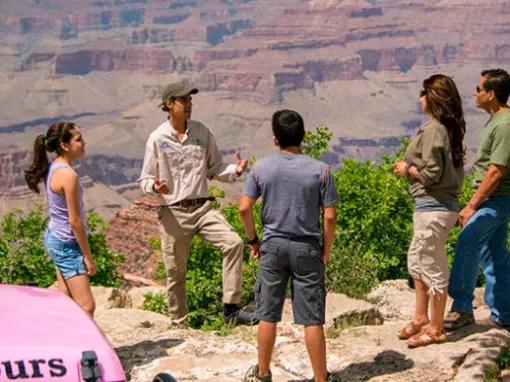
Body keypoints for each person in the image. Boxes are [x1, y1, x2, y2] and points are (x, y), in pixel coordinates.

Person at [139, 82, 256, 325]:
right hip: (174, 213)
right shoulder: (157, 138)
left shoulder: (202, 132)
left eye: (190, 101)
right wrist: (154, 187)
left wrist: (236, 169)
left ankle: (231, 310)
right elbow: (145, 178)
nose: (189, 105)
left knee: (233, 243)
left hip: (203, 209)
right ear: (169, 104)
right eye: (184, 101)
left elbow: (215, 168)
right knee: (175, 273)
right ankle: (178, 322)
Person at [240, 110, 337, 382]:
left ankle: (262, 373)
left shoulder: (261, 168)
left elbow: (244, 208)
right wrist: (325, 250)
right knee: (312, 318)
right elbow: (329, 217)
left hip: (272, 247)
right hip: (307, 248)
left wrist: (253, 240)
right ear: (304, 136)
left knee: (268, 315)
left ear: (275, 140)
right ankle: (320, 378)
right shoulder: (321, 171)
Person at [393, 74, 465, 347]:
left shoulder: (435, 129)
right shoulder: (443, 127)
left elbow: (432, 172)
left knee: (432, 267)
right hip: (430, 207)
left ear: (432, 98)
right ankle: (421, 317)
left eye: (423, 93)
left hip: (434, 208)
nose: (419, 98)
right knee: (417, 260)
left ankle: (436, 329)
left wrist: (407, 169)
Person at [445, 69, 510, 330]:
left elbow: (496, 170)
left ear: (491, 94)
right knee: (494, 255)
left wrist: (472, 204)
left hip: (496, 200)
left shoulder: (504, 124)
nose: (475, 93)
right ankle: (504, 313)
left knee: (468, 239)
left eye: (479, 89)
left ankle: (461, 307)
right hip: (494, 199)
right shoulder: (497, 120)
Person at [24, 121, 96, 318]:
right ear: (64, 145)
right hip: (66, 243)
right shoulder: (67, 174)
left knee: (65, 298)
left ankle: (59, 341)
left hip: (55, 237)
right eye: (79, 139)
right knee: (86, 305)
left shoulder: (55, 166)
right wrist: (87, 257)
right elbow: (75, 221)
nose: (84, 143)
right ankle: (84, 348)